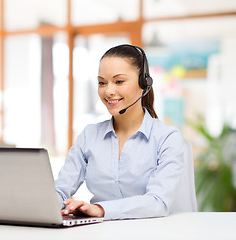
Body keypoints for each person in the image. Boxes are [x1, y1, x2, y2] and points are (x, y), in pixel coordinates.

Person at [55, 44, 184, 220]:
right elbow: (60, 189)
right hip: (98, 232)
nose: (108, 91)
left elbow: (157, 202)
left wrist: (101, 209)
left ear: (143, 83)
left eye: (119, 81)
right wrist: (46, 205)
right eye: (102, 82)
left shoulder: (167, 138)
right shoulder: (89, 136)